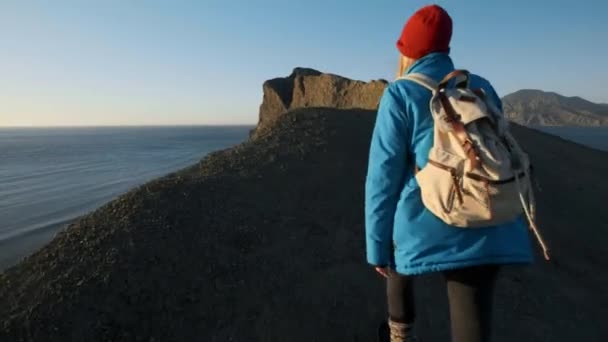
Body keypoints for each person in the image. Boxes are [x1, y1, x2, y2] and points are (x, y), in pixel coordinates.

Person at [365, 5, 534, 342]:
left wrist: (376, 247)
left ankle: (400, 333)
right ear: (445, 48)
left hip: (428, 217)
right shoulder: (480, 86)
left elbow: (383, 176)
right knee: (471, 323)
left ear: (406, 51)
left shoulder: (400, 92)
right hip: (488, 211)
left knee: (396, 256)